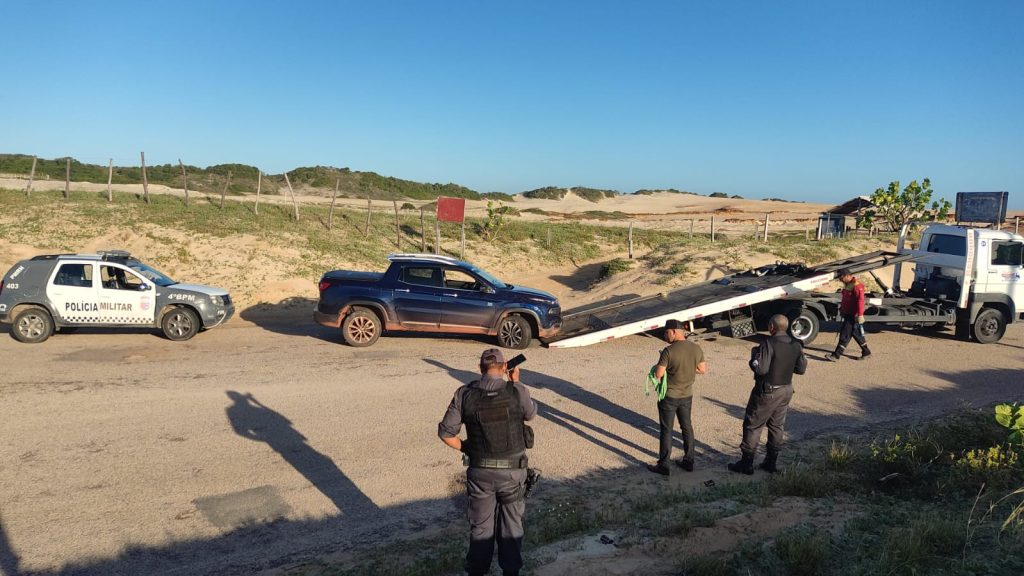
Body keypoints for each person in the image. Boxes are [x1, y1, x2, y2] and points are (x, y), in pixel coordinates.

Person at [438, 348, 537, 576]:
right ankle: (510, 572)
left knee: (481, 529)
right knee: (511, 527)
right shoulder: (516, 391)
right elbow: (530, 414)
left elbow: (446, 434)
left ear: (479, 368)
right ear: (504, 367)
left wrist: (467, 448)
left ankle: (476, 572)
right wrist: (516, 382)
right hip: (513, 473)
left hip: (480, 473)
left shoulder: (464, 394)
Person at [728, 314, 808, 475]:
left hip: (768, 391)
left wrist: (753, 359)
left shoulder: (768, 343)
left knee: (753, 424)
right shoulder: (796, 344)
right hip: (786, 389)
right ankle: (771, 462)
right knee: (777, 426)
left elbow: (761, 369)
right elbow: (801, 369)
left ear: (772, 326)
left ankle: (747, 463)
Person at [647, 318, 707, 476]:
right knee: (687, 427)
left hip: (669, 397)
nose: (665, 336)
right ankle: (689, 461)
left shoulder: (668, 351)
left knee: (666, 430)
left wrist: (664, 365)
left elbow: (658, 374)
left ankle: (664, 465)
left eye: (666, 333)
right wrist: (686, 369)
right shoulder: (696, 348)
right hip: (687, 395)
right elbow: (702, 370)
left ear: (674, 332)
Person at [826, 268, 872, 361]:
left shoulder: (857, 286)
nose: (840, 280)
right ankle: (866, 352)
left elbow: (860, 301)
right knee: (856, 334)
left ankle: (836, 355)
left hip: (853, 315)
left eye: (842, 278)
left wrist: (860, 315)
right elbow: (846, 299)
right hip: (848, 313)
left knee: (845, 334)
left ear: (847, 276)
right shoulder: (848, 285)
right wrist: (842, 309)